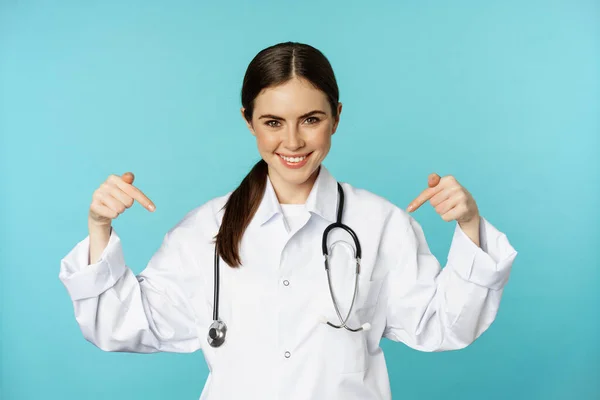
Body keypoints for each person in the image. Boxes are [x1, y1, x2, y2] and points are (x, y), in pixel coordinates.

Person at [59, 42, 518, 400]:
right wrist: (99, 227)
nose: (293, 141)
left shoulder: (380, 224)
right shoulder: (205, 229)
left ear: (336, 118)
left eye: (311, 119)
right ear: (249, 122)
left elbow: (443, 325)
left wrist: (469, 226)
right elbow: (124, 326)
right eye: (273, 122)